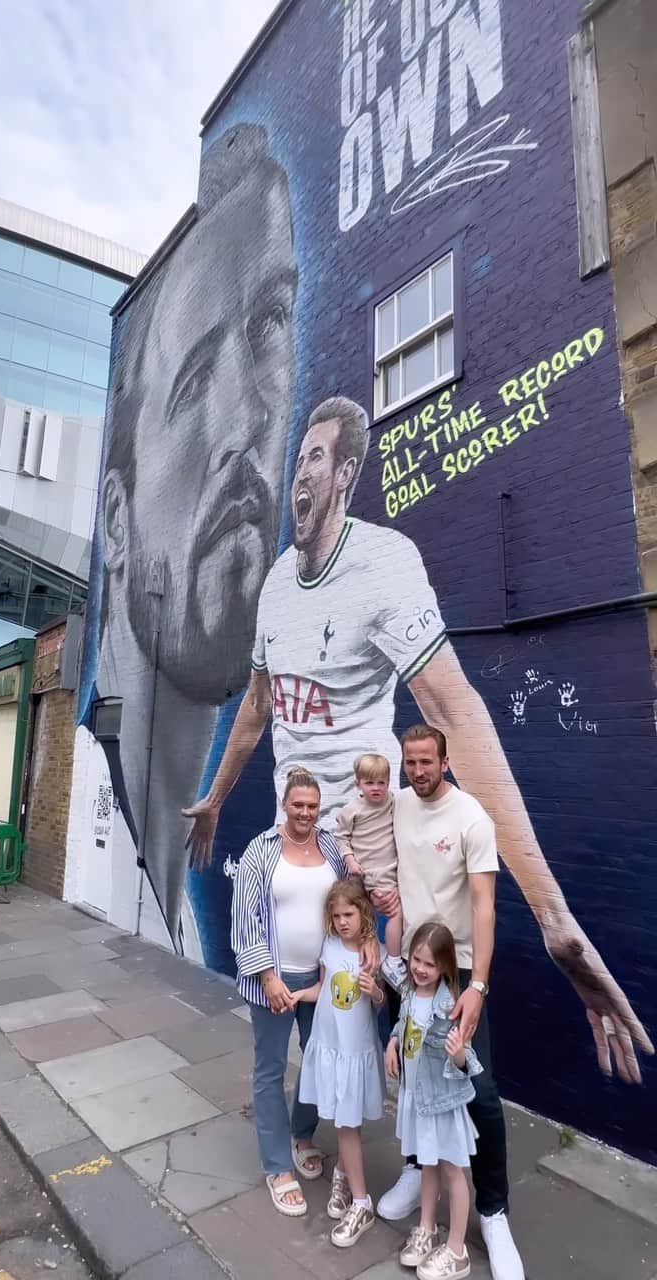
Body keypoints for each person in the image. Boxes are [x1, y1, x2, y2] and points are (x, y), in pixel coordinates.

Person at [185, 394, 653, 1085]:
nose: (301, 476)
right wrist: (216, 799)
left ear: (345, 474)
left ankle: (458, 1174)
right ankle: (327, 1139)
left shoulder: (383, 563)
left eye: (317, 458)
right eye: (299, 461)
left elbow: (454, 710)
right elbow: (257, 705)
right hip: (303, 842)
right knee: (315, 1015)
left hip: (371, 847)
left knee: (423, 1015)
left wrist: (553, 915)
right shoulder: (279, 584)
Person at [83, 122, 298, 950]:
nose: (250, 418)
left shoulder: (188, 921)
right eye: (196, 379)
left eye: (269, 324)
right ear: (114, 521)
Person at [377, 726, 519, 1280]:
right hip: (414, 966)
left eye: (426, 761)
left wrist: (478, 985)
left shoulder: (471, 818)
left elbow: (485, 906)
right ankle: (419, 1169)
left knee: (477, 1089)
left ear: (445, 760)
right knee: (414, 1079)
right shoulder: (398, 806)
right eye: (409, 762)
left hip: (458, 971)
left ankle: (494, 1209)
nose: (417, 770)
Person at [231, 767, 380, 1217]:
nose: (305, 813)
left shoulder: (332, 849)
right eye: (298, 805)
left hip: (327, 982)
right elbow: (245, 918)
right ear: (284, 804)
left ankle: (301, 1135)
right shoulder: (261, 850)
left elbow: (353, 899)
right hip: (275, 981)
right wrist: (268, 977)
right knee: (270, 1070)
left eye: (313, 807)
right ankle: (278, 1167)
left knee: (318, 1061)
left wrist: (370, 939)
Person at [385, 921, 482, 1280]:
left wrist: (457, 1055)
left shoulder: (450, 1008)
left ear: (444, 966)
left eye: (429, 964)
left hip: (441, 1105)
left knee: (453, 1172)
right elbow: (402, 1023)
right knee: (427, 1165)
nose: (420, 969)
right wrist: (393, 1042)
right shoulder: (411, 992)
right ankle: (427, 1228)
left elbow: (467, 1063)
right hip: (418, 1098)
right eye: (416, 960)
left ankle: (457, 1250)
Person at [293, 879, 387, 1247]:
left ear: (362, 912)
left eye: (349, 913)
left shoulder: (373, 952)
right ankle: (342, 1179)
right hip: (330, 1045)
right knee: (343, 1118)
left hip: (355, 1050)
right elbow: (322, 988)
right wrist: (300, 994)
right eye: (337, 915)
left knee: (348, 1121)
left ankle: (360, 1201)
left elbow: (381, 1002)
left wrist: (375, 990)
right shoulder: (329, 947)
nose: (343, 921)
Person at [333, 753, 403, 972]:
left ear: (388, 783)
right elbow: (341, 838)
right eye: (369, 783)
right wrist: (350, 860)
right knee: (394, 913)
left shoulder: (392, 801)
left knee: (376, 914)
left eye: (381, 783)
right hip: (368, 871)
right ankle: (393, 960)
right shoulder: (351, 810)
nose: (376, 788)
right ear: (358, 784)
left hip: (389, 869)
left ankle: (382, 957)